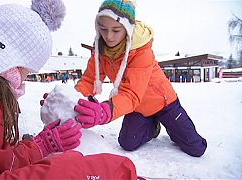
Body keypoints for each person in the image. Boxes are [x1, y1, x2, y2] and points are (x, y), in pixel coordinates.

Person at [0, 0, 137, 179]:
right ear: (13, 61)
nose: (109, 36)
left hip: (154, 104)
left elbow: (134, 91)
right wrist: (71, 104)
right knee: (72, 170)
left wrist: (101, 108)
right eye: (27, 72)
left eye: (115, 30)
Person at [74, 0, 207, 157]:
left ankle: (171, 125)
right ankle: (152, 126)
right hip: (137, 108)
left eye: (116, 30)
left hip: (164, 103)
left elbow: (131, 93)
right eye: (103, 29)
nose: (108, 36)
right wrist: (68, 98)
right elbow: (90, 80)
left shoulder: (141, 51)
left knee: (196, 148)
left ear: (128, 29)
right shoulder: (100, 50)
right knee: (127, 143)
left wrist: (105, 111)